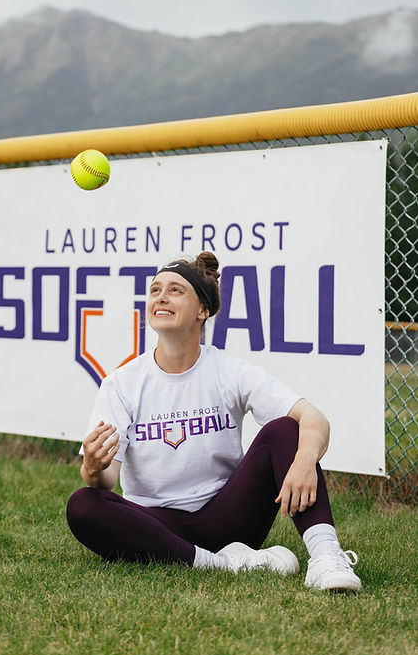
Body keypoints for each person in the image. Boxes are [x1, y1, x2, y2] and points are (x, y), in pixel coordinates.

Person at [66, 252, 361, 592]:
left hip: (228, 517)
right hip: (154, 524)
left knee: (285, 430)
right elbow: (106, 481)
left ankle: (326, 556)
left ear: (202, 311)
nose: (161, 297)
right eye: (155, 290)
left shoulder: (230, 371)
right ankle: (220, 564)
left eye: (176, 290)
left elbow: (314, 418)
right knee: (84, 504)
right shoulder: (121, 383)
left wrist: (305, 460)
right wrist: (91, 468)